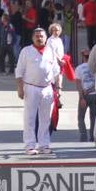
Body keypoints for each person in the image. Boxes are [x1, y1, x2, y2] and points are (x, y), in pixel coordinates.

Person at [14, 27, 62, 156]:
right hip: (30, 87)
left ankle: (44, 145)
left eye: (41, 36)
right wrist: (20, 88)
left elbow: (57, 72)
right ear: (32, 38)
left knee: (45, 119)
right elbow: (19, 71)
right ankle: (30, 145)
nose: (39, 38)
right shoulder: (26, 51)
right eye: (37, 36)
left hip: (47, 88)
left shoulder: (51, 51)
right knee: (29, 118)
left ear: (46, 38)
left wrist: (58, 88)